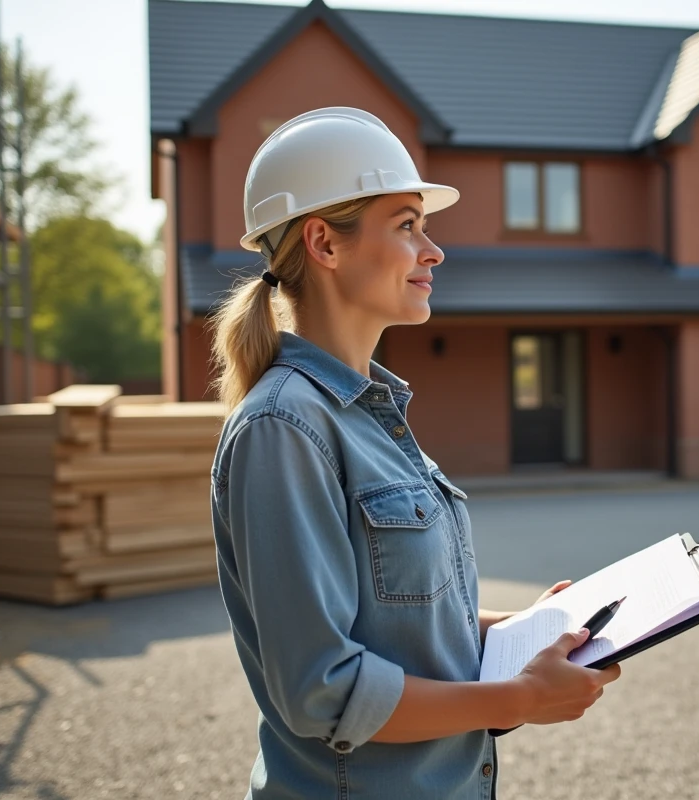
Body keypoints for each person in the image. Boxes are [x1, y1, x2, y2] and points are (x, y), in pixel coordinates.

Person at [208, 107, 622, 800]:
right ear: (324, 243)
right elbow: (324, 689)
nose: (433, 252)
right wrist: (516, 699)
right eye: (406, 226)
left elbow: (400, 621)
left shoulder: (372, 415)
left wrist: (523, 630)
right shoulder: (283, 428)